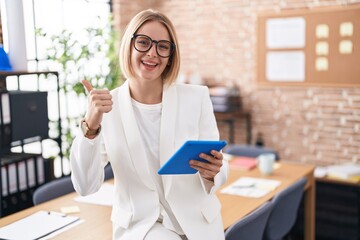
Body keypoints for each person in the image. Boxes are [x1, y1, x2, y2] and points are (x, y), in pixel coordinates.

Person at [70, 9, 228, 240]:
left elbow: (219, 162)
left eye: (163, 46)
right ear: (129, 45)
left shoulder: (197, 98)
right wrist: (90, 126)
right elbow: (85, 186)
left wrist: (213, 172)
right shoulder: (106, 109)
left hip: (199, 225)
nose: (153, 53)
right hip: (141, 228)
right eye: (143, 42)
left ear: (170, 55)